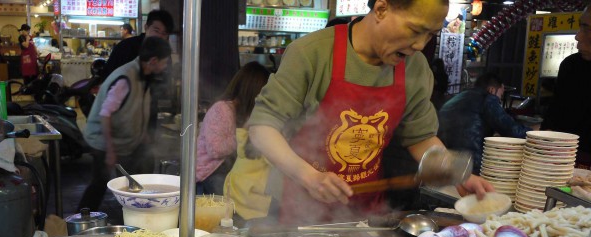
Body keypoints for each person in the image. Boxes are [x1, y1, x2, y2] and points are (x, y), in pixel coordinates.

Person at [246, 0, 494, 225]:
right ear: (381, 9)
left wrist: (455, 172)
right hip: (297, 204)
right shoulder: (313, 53)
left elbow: (420, 138)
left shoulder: (415, 67)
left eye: (430, 35)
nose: (420, 45)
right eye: (415, 30)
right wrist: (309, 176)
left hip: (365, 210)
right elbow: (262, 127)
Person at [78, 37, 172, 211]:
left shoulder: (144, 76)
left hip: (124, 141)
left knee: (132, 180)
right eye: (164, 62)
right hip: (103, 141)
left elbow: (135, 108)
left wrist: (142, 134)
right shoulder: (125, 78)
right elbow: (105, 114)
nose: (165, 66)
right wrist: (110, 151)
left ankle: (134, 213)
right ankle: (81, 220)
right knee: (100, 182)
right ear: (153, 61)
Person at [196, 62, 271, 195]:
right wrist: (243, 132)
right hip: (208, 173)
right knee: (235, 196)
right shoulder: (221, 109)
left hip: (229, 170)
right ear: (253, 91)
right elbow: (215, 150)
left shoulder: (244, 112)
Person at [437, 73, 532, 175]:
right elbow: (511, 129)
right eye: (500, 94)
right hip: (469, 163)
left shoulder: (457, 97)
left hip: (443, 159)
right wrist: (536, 135)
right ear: (492, 90)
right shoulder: (487, 99)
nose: (499, 99)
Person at [543, 3, 591, 169]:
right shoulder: (571, 65)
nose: (578, 36)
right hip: (560, 162)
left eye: (587, 29)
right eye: (580, 27)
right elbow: (553, 114)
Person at [101, 10, 174, 81]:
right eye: (156, 31)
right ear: (146, 28)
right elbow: (106, 76)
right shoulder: (125, 47)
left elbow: (167, 81)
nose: (159, 36)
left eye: (164, 33)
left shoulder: (164, 54)